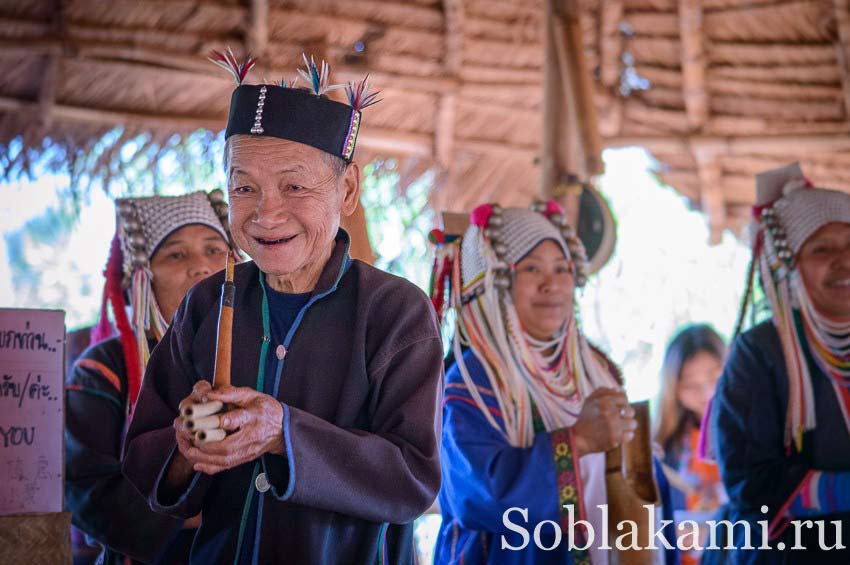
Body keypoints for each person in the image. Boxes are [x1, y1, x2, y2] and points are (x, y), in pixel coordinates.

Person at [122, 52, 444, 563]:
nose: (267, 213)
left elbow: (412, 480)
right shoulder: (207, 302)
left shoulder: (395, 312)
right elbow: (144, 457)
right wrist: (187, 445)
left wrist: (282, 434)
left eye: (294, 186)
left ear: (348, 189)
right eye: (244, 186)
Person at [431, 201, 638, 564]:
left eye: (562, 269)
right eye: (531, 268)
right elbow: (483, 498)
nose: (552, 283)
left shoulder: (596, 369)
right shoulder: (471, 384)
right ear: (495, 282)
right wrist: (579, 441)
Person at [65, 190, 236, 564]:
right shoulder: (105, 368)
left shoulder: (263, 355)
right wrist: (196, 517)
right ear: (142, 278)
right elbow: (86, 488)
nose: (201, 267)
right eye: (176, 254)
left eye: (214, 250)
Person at [711, 163, 850, 563]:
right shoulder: (760, 353)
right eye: (821, 248)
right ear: (787, 266)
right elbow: (751, 484)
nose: (843, 260)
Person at [653, 324, 727, 565]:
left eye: (715, 377)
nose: (707, 392)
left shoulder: (753, 433)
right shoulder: (664, 447)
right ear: (674, 390)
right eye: (691, 385)